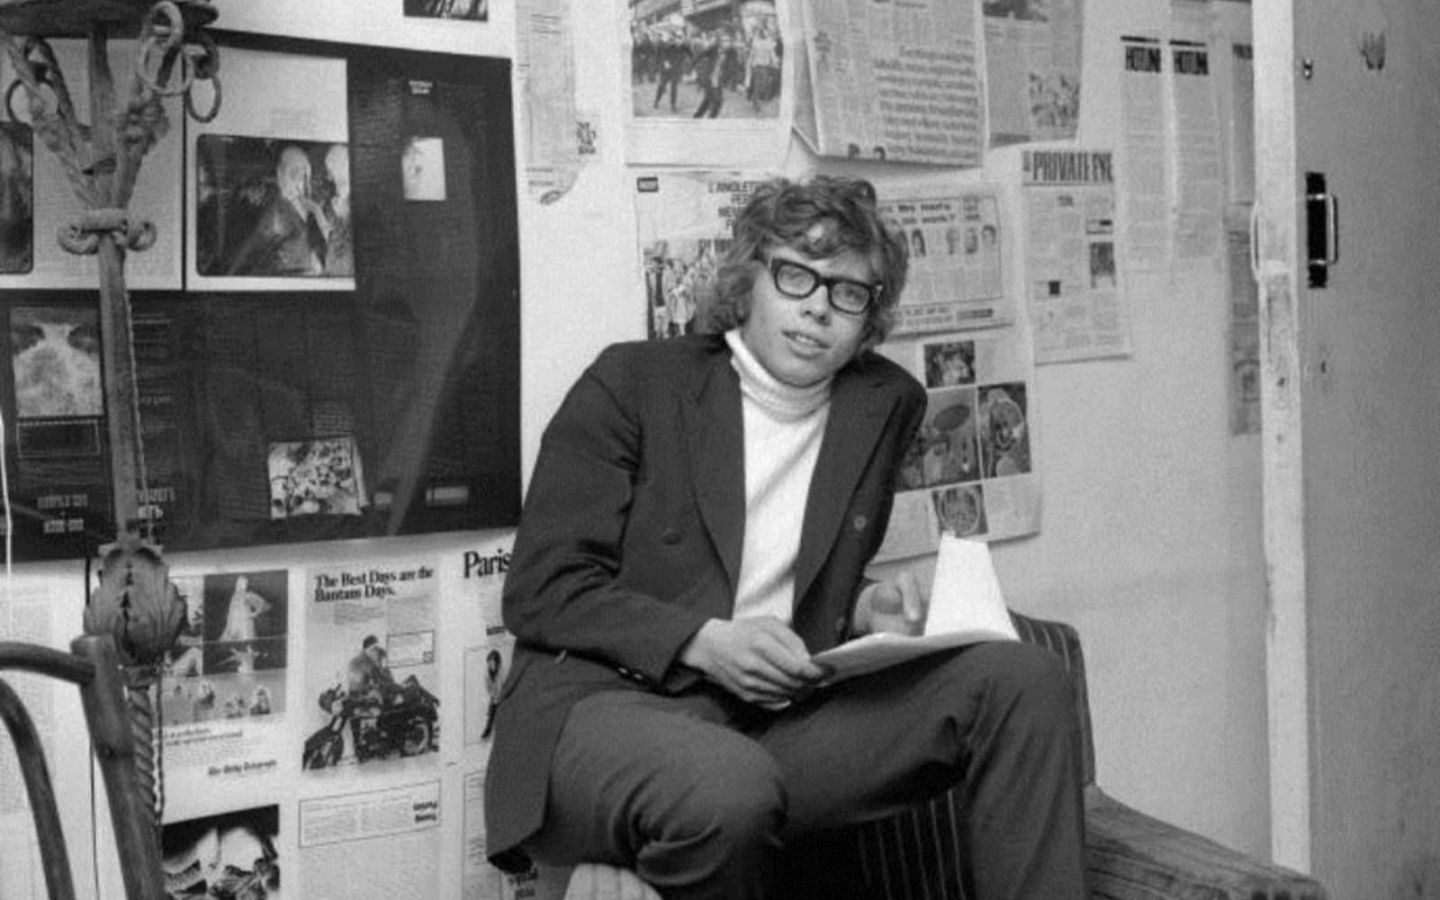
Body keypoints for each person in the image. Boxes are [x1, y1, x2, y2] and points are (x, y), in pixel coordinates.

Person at [484, 175, 1084, 900]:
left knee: (1024, 680)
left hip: (771, 723)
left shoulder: (882, 405)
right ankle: (633, 852)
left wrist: (864, 609)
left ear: (870, 317)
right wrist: (703, 641)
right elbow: (544, 589)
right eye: (796, 274)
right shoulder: (633, 383)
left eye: (847, 292)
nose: (817, 309)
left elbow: (780, 568)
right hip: (604, 710)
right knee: (726, 789)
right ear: (750, 277)